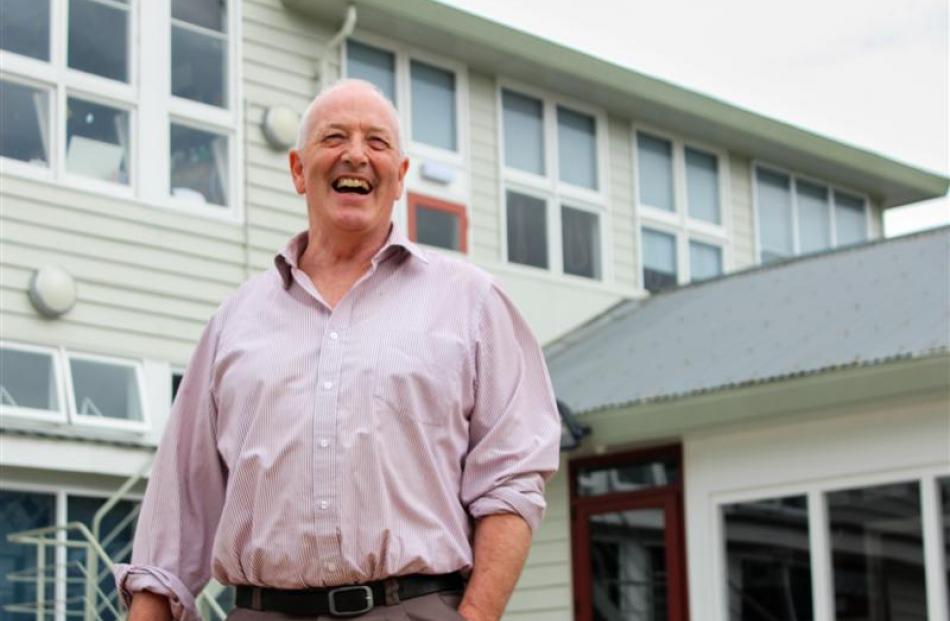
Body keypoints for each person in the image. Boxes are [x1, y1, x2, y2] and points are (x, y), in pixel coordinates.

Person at [114, 79, 561, 621]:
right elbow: (176, 512)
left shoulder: (473, 304)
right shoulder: (234, 322)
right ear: (299, 171)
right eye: (334, 137)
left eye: (377, 142)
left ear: (400, 177)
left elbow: (512, 480)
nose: (356, 154)